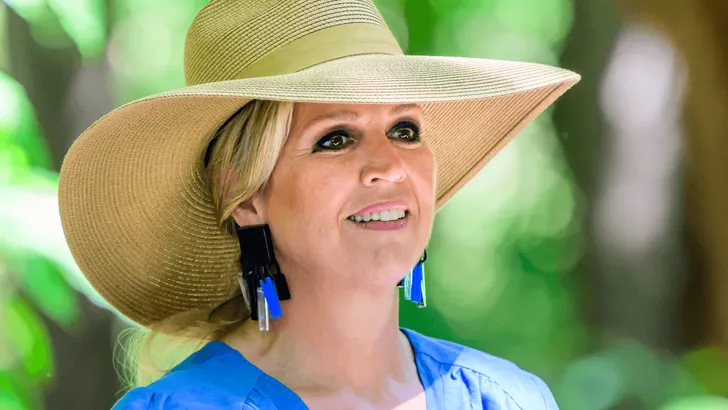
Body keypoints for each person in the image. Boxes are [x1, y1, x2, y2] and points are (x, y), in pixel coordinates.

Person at [58, 0, 580, 409]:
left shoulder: (507, 399)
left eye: (405, 130)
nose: (389, 166)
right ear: (246, 195)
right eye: (335, 139)